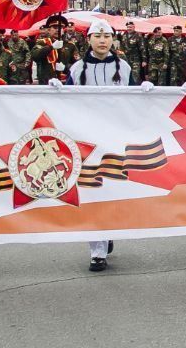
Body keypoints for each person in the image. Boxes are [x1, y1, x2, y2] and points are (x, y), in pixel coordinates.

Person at [64, 19, 132, 272]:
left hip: (115, 138)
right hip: (87, 139)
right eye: (98, 36)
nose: (103, 40)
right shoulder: (77, 68)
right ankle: (97, 251)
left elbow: (135, 102)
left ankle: (108, 229)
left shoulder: (123, 67)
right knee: (92, 191)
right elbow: (66, 103)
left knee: (112, 190)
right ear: (89, 39)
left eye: (107, 36)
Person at [32, 14, 79, 84]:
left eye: (60, 27)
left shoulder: (70, 45)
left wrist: (66, 67)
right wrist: (51, 47)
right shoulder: (43, 43)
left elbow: (77, 64)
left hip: (64, 82)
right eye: (55, 27)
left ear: (63, 30)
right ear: (49, 30)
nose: (58, 30)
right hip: (46, 82)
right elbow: (35, 56)